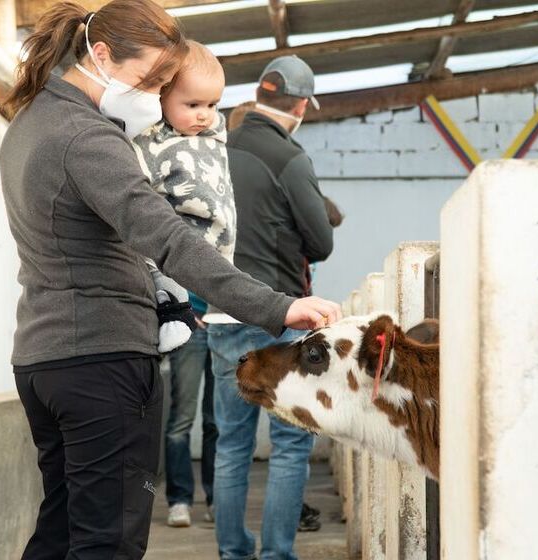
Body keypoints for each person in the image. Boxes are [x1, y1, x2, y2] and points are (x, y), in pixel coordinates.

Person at [0, 1, 342, 558]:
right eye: (149, 81)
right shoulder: (88, 139)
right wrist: (276, 308)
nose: (155, 97)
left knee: (61, 531)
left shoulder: (30, 123)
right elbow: (171, 240)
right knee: (107, 541)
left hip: (44, 359)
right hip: (100, 358)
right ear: (101, 55)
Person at [209, 56, 334, 560]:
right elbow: (321, 242)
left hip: (222, 314)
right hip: (284, 317)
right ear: (300, 105)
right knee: (290, 445)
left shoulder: (213, 148)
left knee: (231, 444)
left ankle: (232, 552)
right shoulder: (291, 159)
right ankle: (277, 553)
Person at [130, 41, 231, 527]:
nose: (205, 115)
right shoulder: (147, 143)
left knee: (217, 416)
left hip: (220, 294)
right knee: (183, 414)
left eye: (212, 105)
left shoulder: (216, 140)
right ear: (163, 98)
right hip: (184, 290)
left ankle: (214, 497)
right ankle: (179, 499)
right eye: (192, 105)